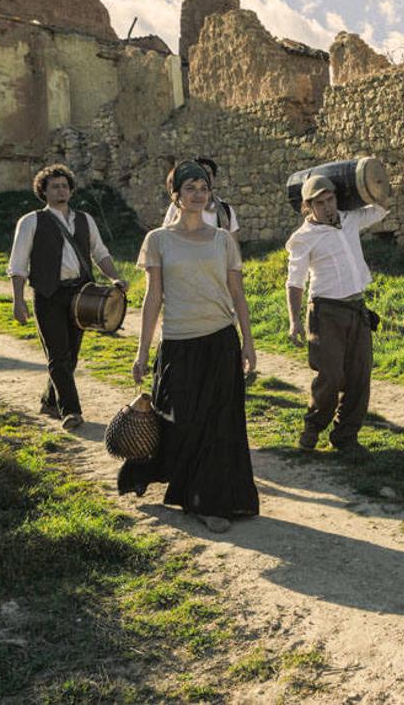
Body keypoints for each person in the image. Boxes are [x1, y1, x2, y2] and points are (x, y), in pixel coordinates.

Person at [118, 160, 259, 534]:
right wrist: (141, 352)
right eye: (190, 188)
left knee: (219, 426)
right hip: (179, 341)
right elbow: (153, 299)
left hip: (220, 339)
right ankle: (153, 471)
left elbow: (238, 295)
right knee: (180, 421)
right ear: (175, 195)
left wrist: (249, 343)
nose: (198, 194)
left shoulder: (223, 240)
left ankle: (209, 501)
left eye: (204, 188)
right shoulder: (158, 240)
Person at [9, 163, 125, 431]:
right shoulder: (31, 221)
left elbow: (100, 253)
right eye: (54, 186)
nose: (60, 190)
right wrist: (18, 299)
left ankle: (49, 400)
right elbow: (17, 265)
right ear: (44, 191)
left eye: (64, 185)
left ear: (71, 190)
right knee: (58, 355)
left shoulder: (85, 219)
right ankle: (71, 411)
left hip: (82, 295)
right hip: (48, 294)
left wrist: (113, 278)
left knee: (70, 356)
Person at [285, 174, 387, 461]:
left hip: (357, 309)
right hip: (325, 312)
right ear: (308, 206)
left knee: (360, 376)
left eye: (331, 200)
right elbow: (295, 282)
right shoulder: (303, 239)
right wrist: (294, 321)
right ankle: (312, 428)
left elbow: (380, 208)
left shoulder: (351, 219)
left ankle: (345, 437)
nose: (328, 207)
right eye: (321, 203)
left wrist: (374, 180)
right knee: (330, 377)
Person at [161, 156, 240, 235]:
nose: (203, 176)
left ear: (213, 178)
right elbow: (166, 237)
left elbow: (233, 243)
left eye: (207, 173)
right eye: (190, 188)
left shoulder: (225, 210)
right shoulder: (177, 207)